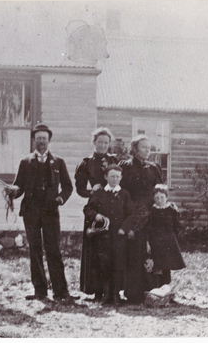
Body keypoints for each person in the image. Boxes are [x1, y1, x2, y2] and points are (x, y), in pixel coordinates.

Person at [5, 123, 75, 302]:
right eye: (38, 138)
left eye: (44, 138)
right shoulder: (26, 162)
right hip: (31, 212)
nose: (41, 141)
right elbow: (19, 186)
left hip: (51, 212)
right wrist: (13, 190)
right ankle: (40, 291)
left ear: (49, 140)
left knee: (54, 250)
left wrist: (60, 198)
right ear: (34, 141)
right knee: (34, 250)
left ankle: (61, 292)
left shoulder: (58, 162)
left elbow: (68, 186)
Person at [119, 134, 163, 303]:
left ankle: (154, 291)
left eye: (149, 147)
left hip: (151, 214)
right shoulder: (126, 166)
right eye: (143, 147)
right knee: (135, 251)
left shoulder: (154, 168)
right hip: (133, 214)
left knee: (152, 250)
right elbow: (122, 191)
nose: (147, 150)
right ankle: (134, 293)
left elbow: (160, 191)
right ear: (135, 149)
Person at [75, 127, 118, 300]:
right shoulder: (86, 163)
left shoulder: (115, 160)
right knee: (95, 249)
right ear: (94, 143)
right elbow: (79, 189)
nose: (103, 146)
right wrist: (91, 191)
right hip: (95, 207)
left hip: (113, 207)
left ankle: (111, 290)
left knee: (111, 248)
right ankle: (95, 290)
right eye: (100, 142)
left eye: (106, 143)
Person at [83, 164, 134, 305]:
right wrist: (96, 215)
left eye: (117, 176)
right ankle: (105, 294)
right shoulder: (99, 193)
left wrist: (123, 228)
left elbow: (131, 214)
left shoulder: (124, 194)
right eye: (112, 176)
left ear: (121, 178)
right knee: (103, 265)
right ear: (106, 177)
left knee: (118, 265)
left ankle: (116, 294)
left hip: (118, 236)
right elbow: (87, 209)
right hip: (103, 237)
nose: (114, 179)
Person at [145, 184, 186, 289]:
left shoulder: (171, 210)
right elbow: (148, 228)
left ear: (167, 197)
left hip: (168, 242)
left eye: (162, 197)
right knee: (157, 267)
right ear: (153, 199)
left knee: (166, 267)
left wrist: (175, 238)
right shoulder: (152, 211)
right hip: (156, 242)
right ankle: (156, 291)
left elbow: (177, 225)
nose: (159, 200)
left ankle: (166, 290)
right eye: (157, 198)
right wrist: (148, 242)